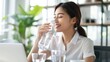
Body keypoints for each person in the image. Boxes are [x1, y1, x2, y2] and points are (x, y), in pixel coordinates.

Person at [27, 1, 95, 62]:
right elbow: (32, 60)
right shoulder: (54, 40)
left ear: (73, 20)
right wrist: (38, 37)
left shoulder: (86, 43)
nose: (55, 21)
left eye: (60, 16)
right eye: (54, 17)